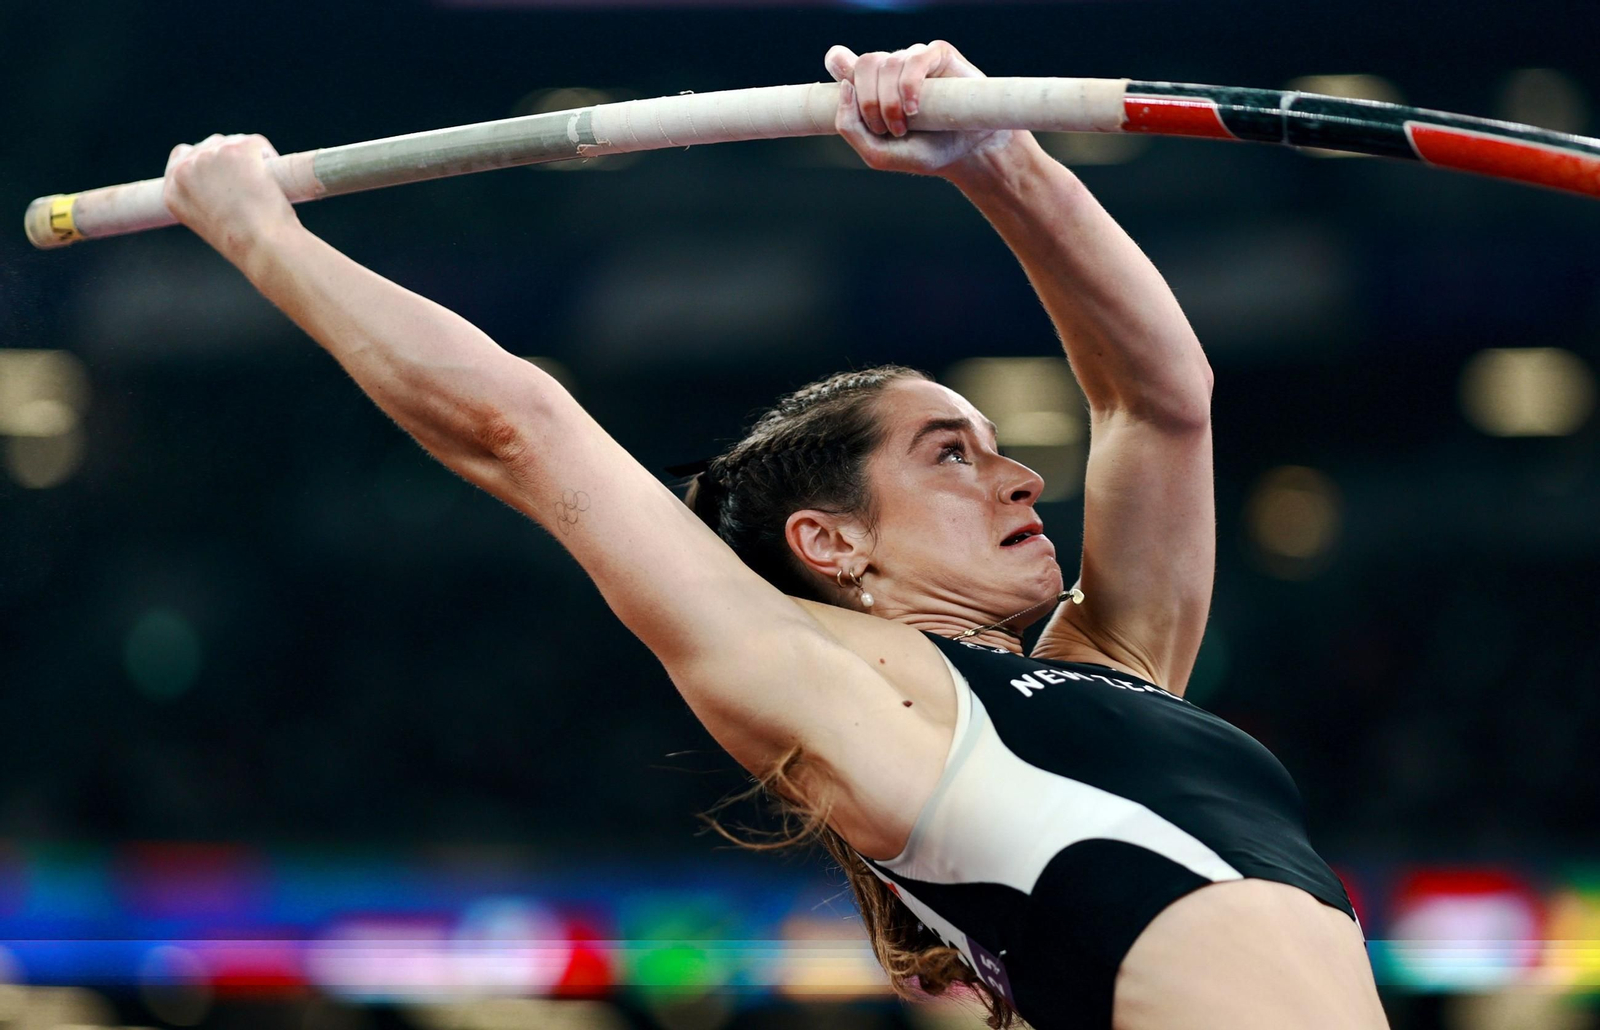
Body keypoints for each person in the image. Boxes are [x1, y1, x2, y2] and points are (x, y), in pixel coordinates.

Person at [161, 39, 1388, 1030]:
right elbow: (519, 429)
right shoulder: (837, 689)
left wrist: (998, 159)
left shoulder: (1114, 662)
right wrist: (261, 234)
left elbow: (1157, 402)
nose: (1021, 478)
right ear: (830, 543)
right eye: (949, 453)